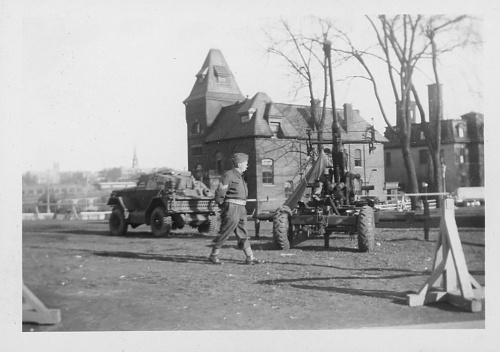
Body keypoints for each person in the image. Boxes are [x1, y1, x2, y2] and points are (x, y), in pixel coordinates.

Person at [208, 153, 264, 265]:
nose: (247, 166)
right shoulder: (228, 176)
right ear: (239, 164)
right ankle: (213, 255)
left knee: (243, 232)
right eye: (246, 164)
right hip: (232, 208)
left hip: (241, 208)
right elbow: (220, 193)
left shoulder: (240, 177)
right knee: (225, 231)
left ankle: (250, 257)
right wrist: (223, 206)